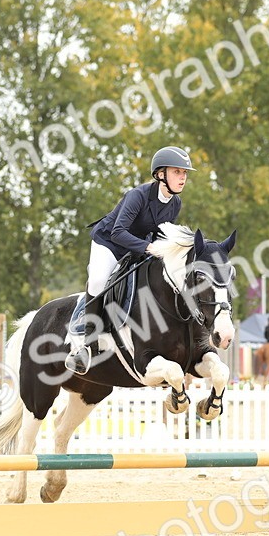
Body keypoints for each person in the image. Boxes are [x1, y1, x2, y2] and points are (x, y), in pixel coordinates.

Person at [65, 146, 194, 374]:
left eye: (184, 173)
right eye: (177, 172)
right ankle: (86, 345)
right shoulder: (138, 195)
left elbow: (159, 233)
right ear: (160, 174)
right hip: (110, 243)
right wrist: (148, 247)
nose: (182, 178)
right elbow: (118, 231)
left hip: (138, 247)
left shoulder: (175, 204)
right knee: (97, 281)